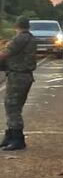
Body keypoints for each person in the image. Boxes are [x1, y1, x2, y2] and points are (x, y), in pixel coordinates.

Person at [0, 16, 37, 151]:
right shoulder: (30, 38)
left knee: (12, 106)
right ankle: (10, 135)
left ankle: (17, 138)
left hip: (18, 75)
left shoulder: (20, 38)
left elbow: (5, 53)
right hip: (23, 75)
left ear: (16, 25)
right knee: (14, 106)